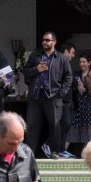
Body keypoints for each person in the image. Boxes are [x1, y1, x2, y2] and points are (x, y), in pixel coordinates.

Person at [22, 31, 73, 159]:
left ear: (54, 42)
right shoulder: (35, 55)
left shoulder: (61, 58)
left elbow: (68, 77)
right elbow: (26, 72)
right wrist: (36, 69)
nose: (44, 42)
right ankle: (29, 154)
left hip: (53, 96)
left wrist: (62, 92)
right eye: (43, 40)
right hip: (36, 96)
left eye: (47, 40)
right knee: (32, 125)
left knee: (55, 125)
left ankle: (54, 152)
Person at [66, 55, 91, 151]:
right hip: (79, 105)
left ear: (89, 63)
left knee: (90, 130)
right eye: (80, 62)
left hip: (90, 105)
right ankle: (63, 151)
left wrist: (85, 89)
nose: (82, 64)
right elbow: (70, 87)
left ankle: (90, 153)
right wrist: (76, 88)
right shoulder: (76, 74)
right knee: (73, 128)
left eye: (84, 62)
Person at [58, 43, 77, 155]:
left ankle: (61, 150)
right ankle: (59, 149)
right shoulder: (59, 63)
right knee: (64, 124)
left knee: (66, 124)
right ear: (66, 51)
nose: (73, 55)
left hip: (67, 100)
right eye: (72, 52)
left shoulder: (65, 64)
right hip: (62, 100)